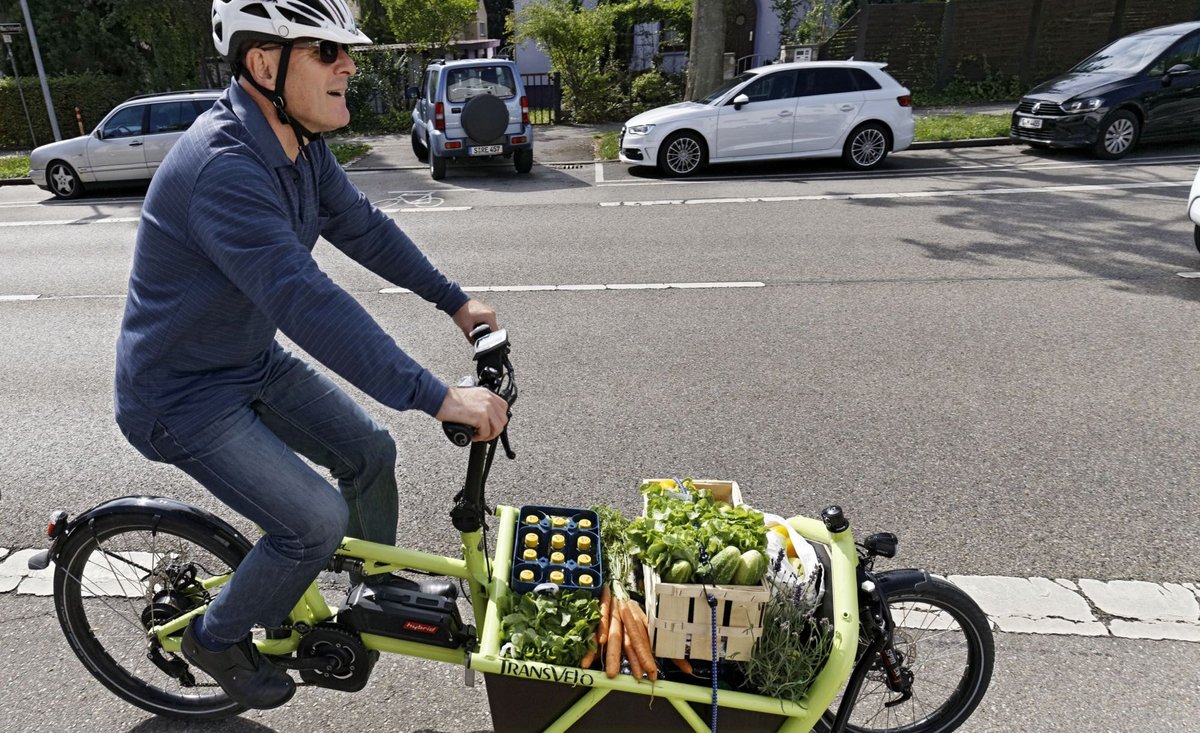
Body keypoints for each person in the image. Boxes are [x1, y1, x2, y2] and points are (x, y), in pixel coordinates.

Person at [113, 0, 509, 710]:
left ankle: (366, 594)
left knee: (370, 452)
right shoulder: (223, 170)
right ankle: (213, 636)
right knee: (315, 520)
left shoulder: (299, 146)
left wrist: (456, 301)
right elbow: (307, 302)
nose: (348, 64)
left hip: (247, 361)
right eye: (327, 52)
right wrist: (440, 397)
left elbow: (362, 226)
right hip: (181, 396)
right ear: (265, 64)